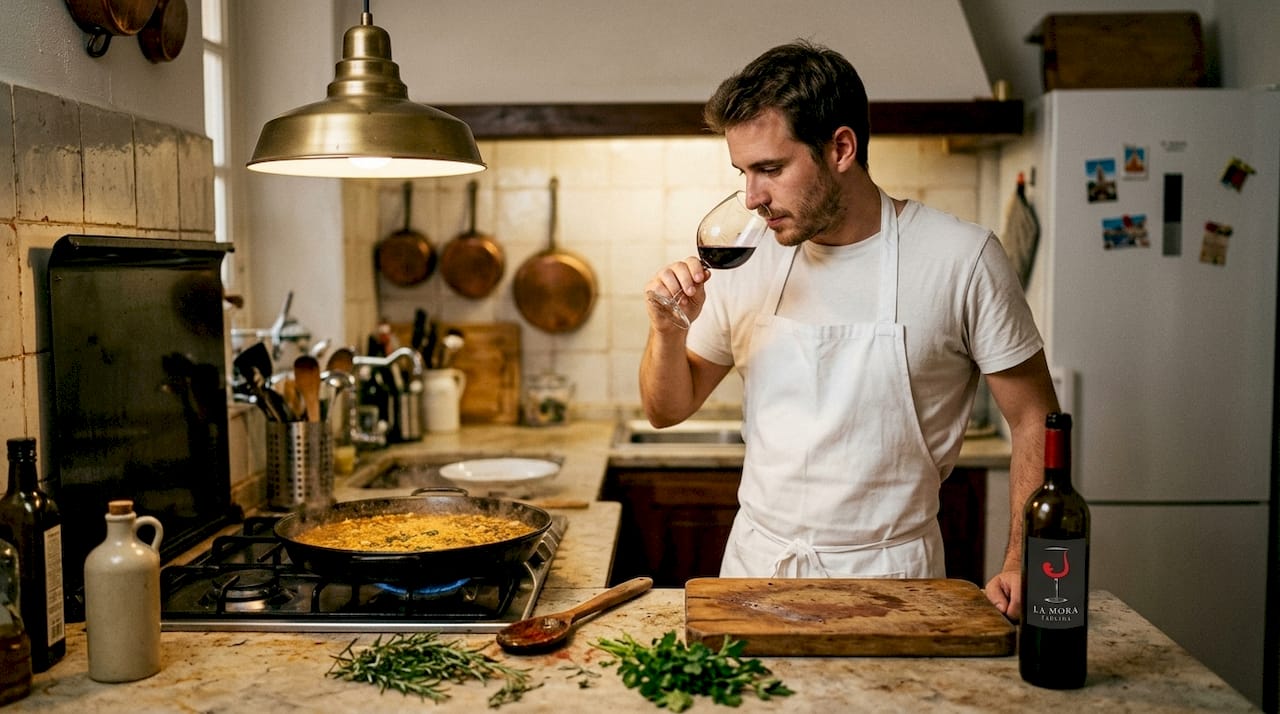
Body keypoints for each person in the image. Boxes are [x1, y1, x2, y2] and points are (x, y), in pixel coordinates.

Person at [639, 40, 1058, 622]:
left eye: (770, 169)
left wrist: (1025, 559)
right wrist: (666, 331)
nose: (753, 198)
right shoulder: (749, 259)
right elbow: (666, 410)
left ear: (841, 148)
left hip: (895, 580)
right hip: (756, 571)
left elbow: (1036, 417)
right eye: (743, 173)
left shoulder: (961, 258)